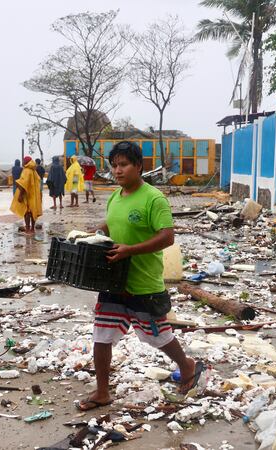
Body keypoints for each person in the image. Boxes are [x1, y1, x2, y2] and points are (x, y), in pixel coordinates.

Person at [77, 141, 203, 412]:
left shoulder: (153, 198)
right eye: (114, 165)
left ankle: (186, 365)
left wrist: (130, 250)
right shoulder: (115, 196)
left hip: (143, 283)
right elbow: (111, 223)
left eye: (123, 165)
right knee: (102, 334)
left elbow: (167, 237)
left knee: (157, 336)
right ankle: (102, 392)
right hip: (114, 281)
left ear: (139, 167)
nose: (117, 171)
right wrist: (93, 232)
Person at [10, 156, 42, 234]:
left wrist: (20, 195)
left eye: (23, 161)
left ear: (26, 162)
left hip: (27, 195)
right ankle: (32, 229)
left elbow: (24, 184)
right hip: (34, 195)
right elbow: (38, 181)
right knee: (33, 211)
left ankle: (27, 229)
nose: (23, 162)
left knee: (27, 212)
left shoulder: (26, 171)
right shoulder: (34, 171)